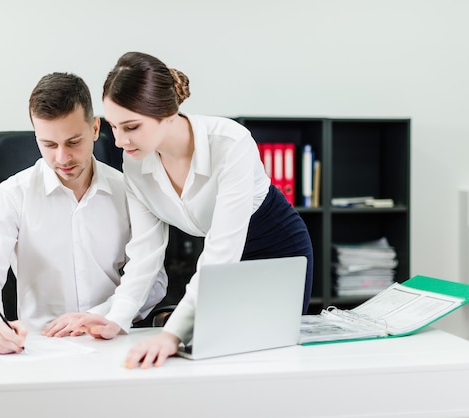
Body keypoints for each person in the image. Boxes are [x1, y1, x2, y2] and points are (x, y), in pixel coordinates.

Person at [98, 51, 314, 368]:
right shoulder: (135, 162)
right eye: (113, 127)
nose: (119, 141)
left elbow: (221, 251)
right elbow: (145, 252)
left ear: (167, 114)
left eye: (131, 127)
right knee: (211, 360)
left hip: (274, 253)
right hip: (215, 262)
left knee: (269, 359)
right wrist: (117, 319)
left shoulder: (230, 143)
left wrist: (169, 335)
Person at [0, 72, 167, 354]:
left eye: (73, 142)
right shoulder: (12, 196)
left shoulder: (129, 192)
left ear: (95, 129)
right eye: (49, 145)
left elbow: (154, 280)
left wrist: (105, 314)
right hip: (38, 347)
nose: (62, 158)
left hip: (113, 342)